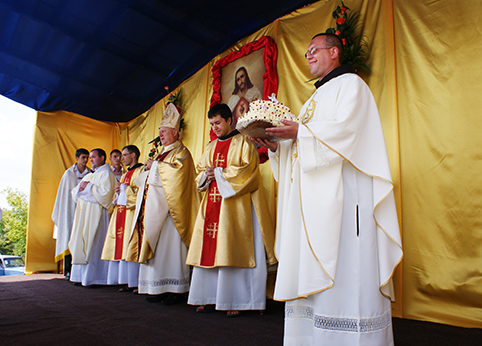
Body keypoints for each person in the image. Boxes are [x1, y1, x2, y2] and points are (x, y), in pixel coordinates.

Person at [251, 33, 403, 345]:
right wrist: (277, 147)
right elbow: (302, 147)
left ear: (334, 52)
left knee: (346, 263)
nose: (307, 56)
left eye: (313, 50)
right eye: (306, 52)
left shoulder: (352, 85)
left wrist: (301, 133)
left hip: (345, 202)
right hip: (312, 206)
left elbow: (348, 134)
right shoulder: (312, 100)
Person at [186, 103, 276, 317]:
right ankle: (207, 297)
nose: (215, 127)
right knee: (209, 249)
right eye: (211, 124)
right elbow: (199, 172)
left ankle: (238, 300)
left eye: (218, 122)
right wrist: (206, 177)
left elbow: (248, 172)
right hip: (212, 207)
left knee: (232, 248)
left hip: (236, 208)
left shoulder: (244, 142)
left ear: (229, 120)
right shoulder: (210, 146)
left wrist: (218, 172)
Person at [125, 103, 199, 305]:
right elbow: (149, 177)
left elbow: (177, 175)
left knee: (171, 250)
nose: (161, 136)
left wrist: (155, 166)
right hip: (155, 209)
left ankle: (176, 289)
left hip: (172, 213)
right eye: (159, 132)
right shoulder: (161, 154)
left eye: (164, 132)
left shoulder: (182, 152)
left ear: (175, 132)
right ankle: (156, 287)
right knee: (157, 250)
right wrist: (150, 168)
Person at [69, 148, 116, 287]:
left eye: (94, 157)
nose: (91, 160)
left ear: (102, 158)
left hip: (98, 217)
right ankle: (80, 276)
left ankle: (96, 278)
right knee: (82, 242)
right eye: (90, 157)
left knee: (95, 244)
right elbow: (75, 192)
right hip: (84, 216)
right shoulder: (91, 174)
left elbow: (106, 195)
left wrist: (88, 188)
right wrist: (82, 188)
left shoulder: (107, 174)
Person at [101, 145, 143, 291]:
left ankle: (135, 282)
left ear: (133, 155)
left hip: (132, 214)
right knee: (121, 243)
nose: (121, 158)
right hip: (121, 212)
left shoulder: (141, 171)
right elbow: (121, 194)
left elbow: (141, 194)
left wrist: (124, 189)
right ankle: (124, 280)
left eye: (124, 155)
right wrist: (118, 192)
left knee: (130, 244)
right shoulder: (126, 174)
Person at [51, 148, 91, 279]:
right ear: (77, 158)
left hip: (84, 210)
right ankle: (68, 269)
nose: (85, 160)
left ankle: (81, 269)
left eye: (87, 158)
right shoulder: (68, 175)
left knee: (83, 237)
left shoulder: (90, 174)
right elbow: (64, 196)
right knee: (69, 237)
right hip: (70, 210)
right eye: (83, 157)